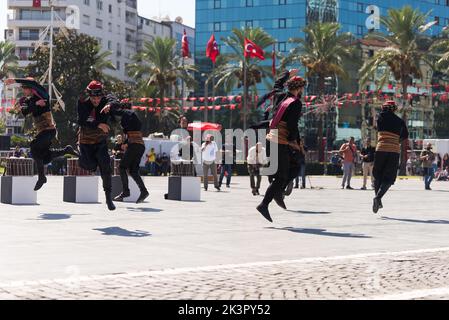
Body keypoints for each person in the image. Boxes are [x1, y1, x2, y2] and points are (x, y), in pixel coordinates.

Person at [5, 77, 78, 191]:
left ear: (31, 88)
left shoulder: (43, 95)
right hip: (43, 131)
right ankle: (66, 150)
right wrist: (27, 103)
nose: (23, 91)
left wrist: (14, 80)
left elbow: (32, 83)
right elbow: (25, 112)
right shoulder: (31, 100)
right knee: (43, 158)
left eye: (25, 88)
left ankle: (41, 177)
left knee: (34, 146)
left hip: (49, 130)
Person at [256, 69, 305, 222]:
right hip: (281, 141)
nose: (302, 91)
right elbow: (292, 125)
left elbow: (277, 84)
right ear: (298, 88)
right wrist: (295, 143)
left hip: (271, 139)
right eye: (302, 88)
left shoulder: (279, 95)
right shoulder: (296, 103)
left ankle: (278, 192)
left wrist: (286, 73)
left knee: (294, 167)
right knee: (283, 175)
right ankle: (264, 204)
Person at [77, 80, 117, 211]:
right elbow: (82, 120)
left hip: (100, 141)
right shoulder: (82, 102)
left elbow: (116, 100)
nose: (96, 100)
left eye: (98, 97)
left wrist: (110, 105)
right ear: (89, 95)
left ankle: (108, 197)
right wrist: (99, 124)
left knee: (105, 166)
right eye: (93, 97)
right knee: (89, 166)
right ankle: (76, 152)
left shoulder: (106, 101)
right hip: (85, 141)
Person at [100, 102, 149, 203]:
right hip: (140, 145)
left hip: (135, 145)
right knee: (133, 171)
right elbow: (132, 131)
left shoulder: (127, 112)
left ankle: (126, 191)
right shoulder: (133, 116)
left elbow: (117, 112)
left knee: (122, 167)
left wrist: (110, 108)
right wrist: (126, 142)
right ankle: (143, 191)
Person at [372, 100, 409, 213]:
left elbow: (375, 127)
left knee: (377, 175)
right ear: (394, 109)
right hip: (393, 150)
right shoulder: (399, 121)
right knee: (389, 178)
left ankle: (378, 199)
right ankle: (378, 198)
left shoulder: (380, 117)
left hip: (381, 148)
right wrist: (397, 140)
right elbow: (405, 135)